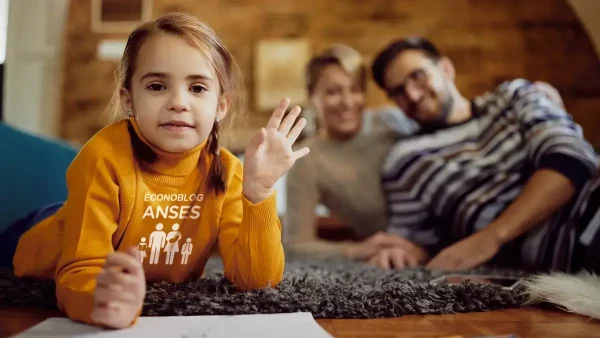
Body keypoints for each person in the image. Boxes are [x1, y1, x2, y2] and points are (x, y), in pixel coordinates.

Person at [0, 13, 309, 329]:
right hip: (36, 240)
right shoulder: (103, 155)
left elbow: (258, 280)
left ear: (221, 106)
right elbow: (80, 268)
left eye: (198, 88)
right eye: (157, 86)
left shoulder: (227, 172)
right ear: (128, 98)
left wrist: (259, 194)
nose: (178, 102)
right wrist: (101, 303)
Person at [347, 37, 600, 273]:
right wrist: (405, 252)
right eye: (398, 92)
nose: (412, 95)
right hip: (571, 253)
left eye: (418, 76)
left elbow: (573, 159)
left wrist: (492, 237)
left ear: (446, 69)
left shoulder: (514, 96)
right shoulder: (405, 160)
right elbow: (414, 242)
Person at [284, 44, 417, 256]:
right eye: (333, 92)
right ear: (312, 97)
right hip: (394, 254)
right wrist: (356, 250)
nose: (347, 103)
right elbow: (296, 244)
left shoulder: (393, 123)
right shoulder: (306, 159)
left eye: (355, 90)